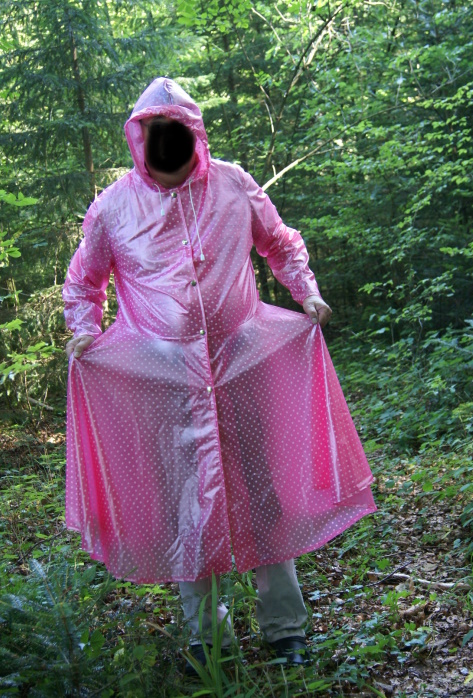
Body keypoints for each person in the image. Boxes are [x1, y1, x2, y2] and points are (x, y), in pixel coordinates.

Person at [63, 77, 377, 671]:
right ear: (140, 139)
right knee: (186, 507)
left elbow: (280, 242)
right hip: (162, 383)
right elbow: (84, 280)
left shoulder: (233, 184)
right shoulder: (113, 207)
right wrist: (84, 327)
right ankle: (210, 641)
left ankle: (286, 632)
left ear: (194, 135)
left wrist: (306, 293)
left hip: (244, 368)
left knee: (264, 496)